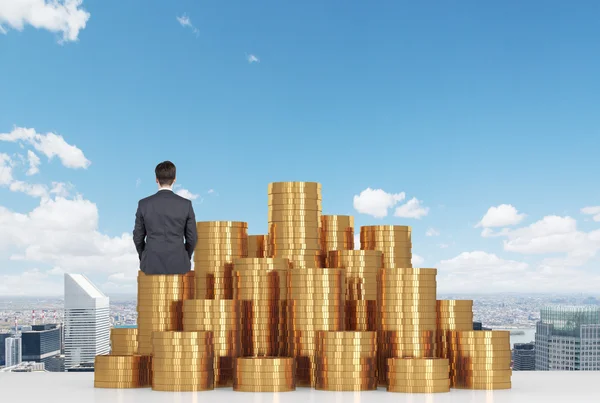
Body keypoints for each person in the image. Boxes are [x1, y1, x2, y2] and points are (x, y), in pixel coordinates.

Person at [133, 161, 197, 274]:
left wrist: (144, 256)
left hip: (150, 264)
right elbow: (192, 238)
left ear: (156, 179)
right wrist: (185, 257)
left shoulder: (144, 204)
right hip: (179, 264)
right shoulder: (186, 205)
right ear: (175, 179)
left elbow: (138, 237)